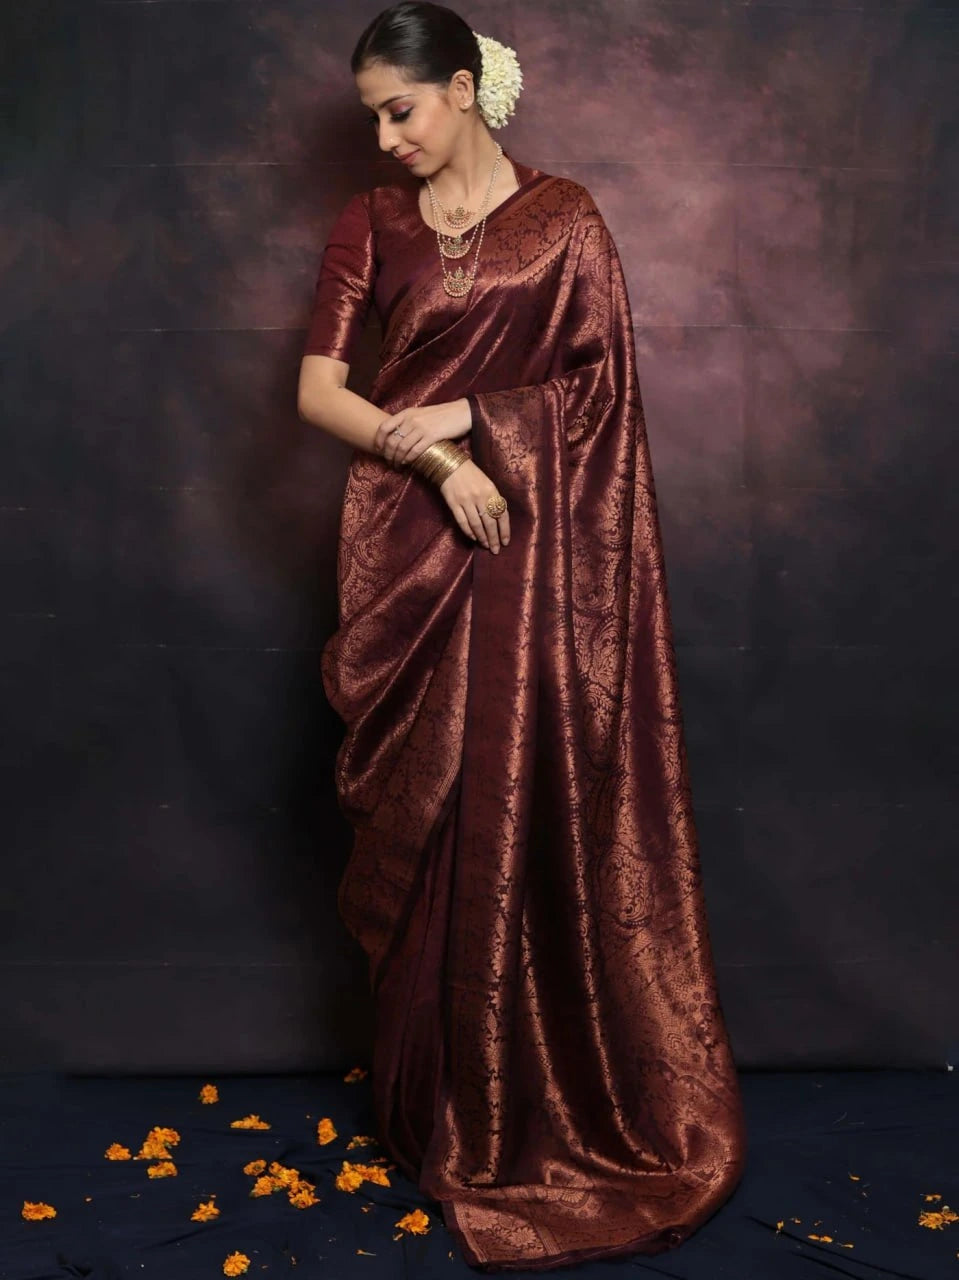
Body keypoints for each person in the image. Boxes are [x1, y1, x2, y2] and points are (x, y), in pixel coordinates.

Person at [296, 2, 747, 1270]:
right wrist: (441, 459)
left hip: (538, 558)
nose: (385, 138)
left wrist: (474, 423)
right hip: (417, 546)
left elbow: (602, 393)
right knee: (420, 812)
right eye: (372, 116)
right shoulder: (368, 225)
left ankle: (524, 1107)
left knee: (523, 791)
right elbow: (318, 390)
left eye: (401, 108)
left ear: (460, 87)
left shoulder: (565, 220)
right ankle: (434, 1110)